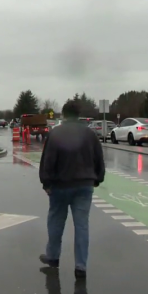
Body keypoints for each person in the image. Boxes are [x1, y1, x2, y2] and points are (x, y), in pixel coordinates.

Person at [38, 100, 105, 280]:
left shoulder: (56, 134)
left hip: (60, 186)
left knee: (56, 222)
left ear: (64, 114)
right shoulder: (90, 134)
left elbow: (48, 160)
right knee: (82, 225)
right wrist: (97, 179)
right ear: (79, 114)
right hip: (84, 185)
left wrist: (46, 183)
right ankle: (80, 266)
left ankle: (52, 257)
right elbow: (99, 158)